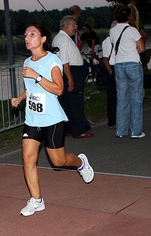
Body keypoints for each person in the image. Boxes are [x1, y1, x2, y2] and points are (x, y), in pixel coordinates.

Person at [11, 22, 94, 217]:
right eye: (25, 35)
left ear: (43, 39)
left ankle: (81, 163)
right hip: (32, 119)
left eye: (32, 34)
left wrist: (38, 76)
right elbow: (31, 87)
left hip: (52, 120)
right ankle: (37, 200)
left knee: (58, 161)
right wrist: (21, 98)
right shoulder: (27, 62)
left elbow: (58, 89)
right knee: (28, 158)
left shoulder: (52, 61)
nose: (27, 38)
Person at [52, 15, 93, 139]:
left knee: (68, 102)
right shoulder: (63, 40)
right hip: (72, 72)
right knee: (76, 101)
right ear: (66, 25)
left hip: (71, 71)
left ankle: (69, 127)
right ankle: (79, 130)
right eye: (74, 25)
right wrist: (70, 79)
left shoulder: (61, 38)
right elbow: (65, 62)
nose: (76, 28)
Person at [110, 5, 145, 139]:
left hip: (119, 65)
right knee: (136, 97)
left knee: (122, 98)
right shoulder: (132, 30)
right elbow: (141, 48)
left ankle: (121, 130)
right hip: (133, 64)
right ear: (129, 17)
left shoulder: (112, 31)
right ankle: (136, 131)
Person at [102, 20, 118, 128]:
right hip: (113, 68)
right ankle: (112, 121)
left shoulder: (116, 39)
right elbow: (105, 58)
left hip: (119, 67)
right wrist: (111, 71)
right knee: (112, 96)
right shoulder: (108, 41)